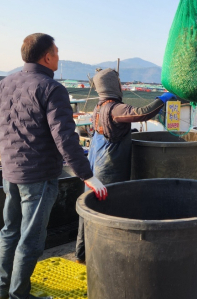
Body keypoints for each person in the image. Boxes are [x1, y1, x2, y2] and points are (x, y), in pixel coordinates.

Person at [0, 33, 107, 299]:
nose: (58, 57)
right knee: (31, 237)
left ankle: (4, 287)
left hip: (10, 170)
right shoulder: (51, 88)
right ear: (46, 57)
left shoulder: (4, 83)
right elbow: (65, 138)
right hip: (38, 174)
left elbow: (1, 128)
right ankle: (18, 298)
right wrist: (87, 175)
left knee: (10, 229)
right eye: (56, 53)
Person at [75, 68, 176, 263]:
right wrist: (163, 98)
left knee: (88, 212)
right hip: (108, 171)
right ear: (113, 85)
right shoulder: (114, 109)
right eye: (119, 82)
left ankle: (82, 255)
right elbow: (142, 113)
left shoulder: (98, 107)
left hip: (93, 167)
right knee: (107, 213)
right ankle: (104, 256)